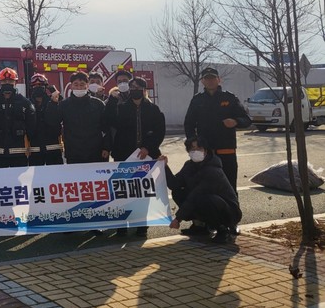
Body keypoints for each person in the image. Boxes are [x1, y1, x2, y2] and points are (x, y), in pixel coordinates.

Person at [106, 76, 166, 237]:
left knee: (142, 191)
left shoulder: (153, 109)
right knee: (122, 191)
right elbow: (110, 121)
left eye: (138, 87)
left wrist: (148, 147)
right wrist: (112, 100)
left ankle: (141, 225)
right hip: (124, 155)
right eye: (132, 87)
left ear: (144, 90)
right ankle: (122, 226)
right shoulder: (121, 107)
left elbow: (159, 131)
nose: (135, 90)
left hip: (145, 156)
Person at [160, 136, 242, 244]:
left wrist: (178, 219)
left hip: (229, 212)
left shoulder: (213, 170)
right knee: (178, 192)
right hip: (205, 201)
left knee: (205, 199)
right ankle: (200, 226)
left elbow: (196, 194)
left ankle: (223, 229)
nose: (195, 151)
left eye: (199, 148)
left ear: (206, 151)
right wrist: (165, 167)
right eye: (192, 149)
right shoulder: (189, 166)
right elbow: (174, 184)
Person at [183, 67, 252, 194]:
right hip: (205, 153)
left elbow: (247, 119)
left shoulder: (229, 98)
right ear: (202, 81)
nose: (210, 81)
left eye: (213, 78)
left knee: (229, 188)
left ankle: (231, 207)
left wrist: (236, 122)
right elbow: (189, 124)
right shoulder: (197, 100)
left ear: (219, 80)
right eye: (207, 78)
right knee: (206, 189)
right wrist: (193, 142)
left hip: (226, 152)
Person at [46, 71, 110, 164]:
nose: (79, 87)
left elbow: (106, 128)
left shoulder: (98, 104)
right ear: (71, 86)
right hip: (73, 153)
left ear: (87, 86)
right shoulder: (64, 105)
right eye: (76, 84)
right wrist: (53, 104)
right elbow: (53, 122)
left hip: (96, 152)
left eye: (82, 84)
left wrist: (106, 147)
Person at [0, 68, 36, 168]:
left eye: (10, 81)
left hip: (19, 154)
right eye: (4, 81)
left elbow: (32, 127)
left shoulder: (25, 102)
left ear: (16, 82)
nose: (7, 83)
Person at [27, 73, 63, 166]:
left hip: (53, 147)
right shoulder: (27, 104)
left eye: (40, 85)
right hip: (35, 148)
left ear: (45, 86)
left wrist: (56, 97)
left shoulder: (54, 101)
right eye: (35, 85)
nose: (37, 87)